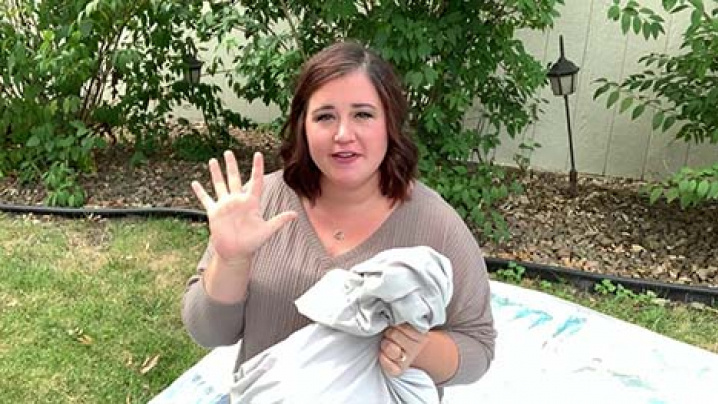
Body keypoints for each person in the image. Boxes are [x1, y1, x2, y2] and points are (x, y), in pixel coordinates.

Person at [181, 41, 496, 392]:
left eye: (363, 114)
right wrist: (231, 259)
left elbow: (478, 347)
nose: (343, 135)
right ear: (303, 126)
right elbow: (208, 332)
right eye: (325, 116)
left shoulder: (436, 225)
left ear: (390, 124)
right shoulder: (259, 206)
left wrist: (420, 349)